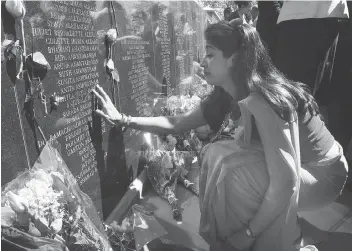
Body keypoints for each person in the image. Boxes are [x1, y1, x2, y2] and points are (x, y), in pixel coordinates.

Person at [92, 21, 348, 251]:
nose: (202, 62)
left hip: (322, 173)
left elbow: (285, 182)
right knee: (216, 155)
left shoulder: (262, 98)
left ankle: (275, 239)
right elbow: (177, 122)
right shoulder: (228, 92)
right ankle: (256, 235)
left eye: (211, 55)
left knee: (234, 171)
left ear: (234, 59)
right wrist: (124, 120)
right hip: (299, 168)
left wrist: (248, 233)